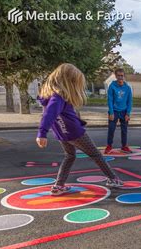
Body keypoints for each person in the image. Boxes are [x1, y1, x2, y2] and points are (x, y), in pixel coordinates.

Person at [36, 63, 124, 195]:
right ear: (68, 82)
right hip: (75, 133)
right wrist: (42, 133)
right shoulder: (58, 97)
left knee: (70, 156)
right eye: (75, 83)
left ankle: (58, 186)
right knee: (95, 154)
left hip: (62, 134)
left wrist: (43, 132)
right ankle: (113, 178)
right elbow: (49, 115)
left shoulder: (49, 97)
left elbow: (49, 114)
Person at [105, 68, 133, 154]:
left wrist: (128, 113)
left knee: (124, 130)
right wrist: (111, 112)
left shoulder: (127, 88)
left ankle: (124, 146)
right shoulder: (112, 86)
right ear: (116, 76)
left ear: (124, 76)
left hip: (124, 112)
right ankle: (109, 146)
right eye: (118, 76)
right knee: (111, 129)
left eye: (122, 75)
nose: (120, 77)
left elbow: (129, 101)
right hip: (114, 111)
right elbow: (110, 100)